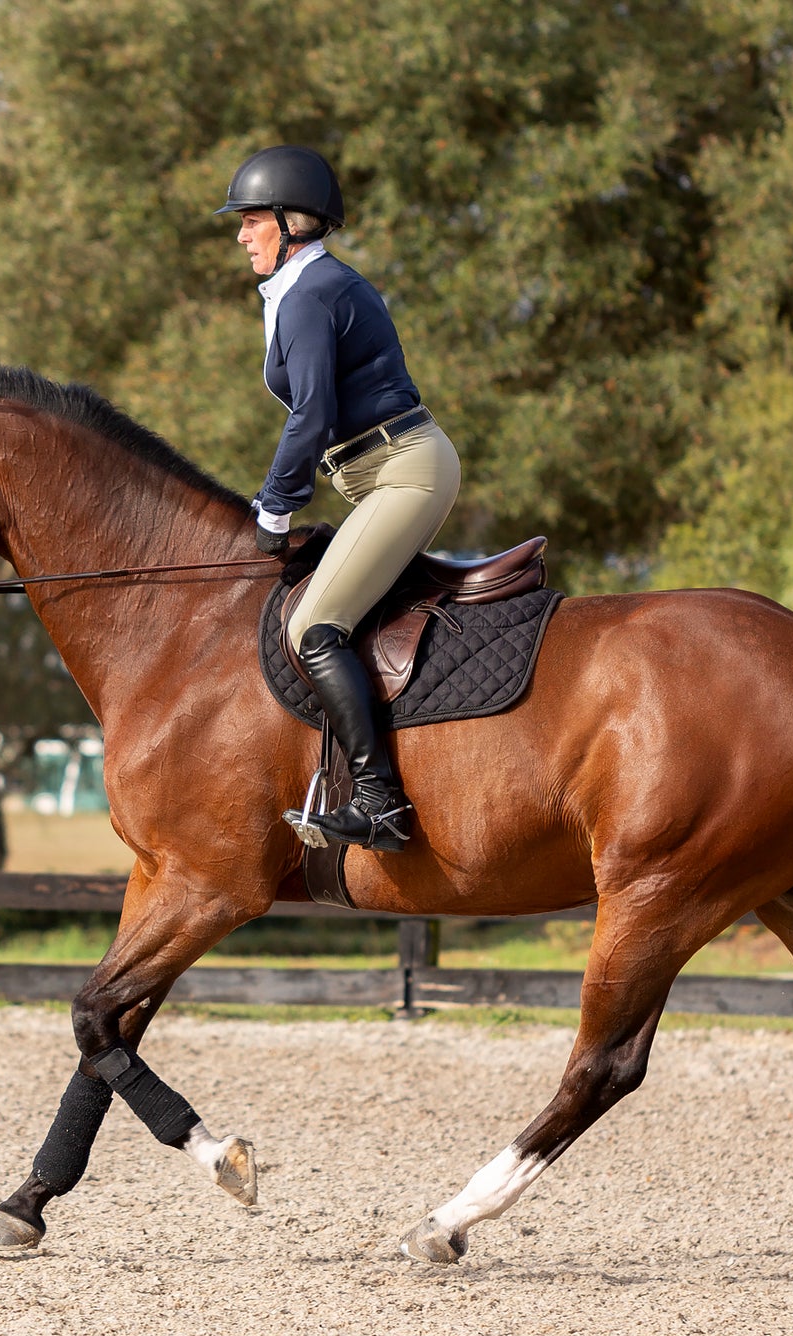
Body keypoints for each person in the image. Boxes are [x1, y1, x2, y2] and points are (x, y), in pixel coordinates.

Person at [217, 145, 461, 852]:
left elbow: (312, 415)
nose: (240, 234)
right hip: (382, 473)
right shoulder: (306, 289)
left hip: (403, 472)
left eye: (252, 220)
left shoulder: (311, 294)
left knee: (312, 627)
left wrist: (274, 506)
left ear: (293, 223)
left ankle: (380, 803)